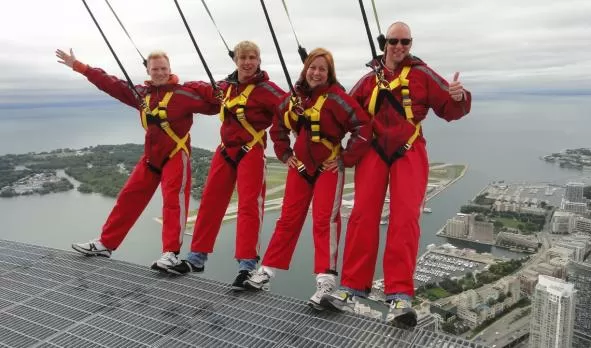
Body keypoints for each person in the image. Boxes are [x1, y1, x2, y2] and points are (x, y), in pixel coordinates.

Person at [321, 22, 472, 327]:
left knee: (404, 219)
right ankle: (350, 288)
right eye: (394, 41)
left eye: (406, 41)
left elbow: (450, 109)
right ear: (384, 43)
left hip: (409, 150)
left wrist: (459, 96)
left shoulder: (422, 74)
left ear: (410, 43)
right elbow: (343, 111)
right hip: (374, 153)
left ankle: (400, 297)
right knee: (363, 215)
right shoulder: (368, 80)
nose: (400, 46)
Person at [56, 49, 220, 269]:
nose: (160, 73)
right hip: (151, 157)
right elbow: (112, 84)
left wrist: (213, 92)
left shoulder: (184, 95)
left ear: (170, 69)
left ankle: (170, 253)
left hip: (176, 154)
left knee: (174, 202)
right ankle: (106, 244)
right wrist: (80, 66)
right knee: (128, 198)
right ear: (148, 71)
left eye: (163, 69)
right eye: (155, 69)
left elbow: (215, 106)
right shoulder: (142, 94)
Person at [244, 48, 372, 309]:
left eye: (322, 69)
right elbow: (278, 124)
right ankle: (266, 271)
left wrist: (345, 159)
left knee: (325, 221)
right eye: (312, 68)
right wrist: (284, 153)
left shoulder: (338, 98)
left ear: (329, 73)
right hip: (300, 166)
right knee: (288, 218)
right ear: (306, 70)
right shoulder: (294, 98)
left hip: (328, 168)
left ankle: (325, 281)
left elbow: (363, 126)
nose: (316, 73)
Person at [169, 41, 285, 290]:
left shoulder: (267, 90)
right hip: (225, 150)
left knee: (248, 206)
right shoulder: (226, 87)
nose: (247, 62)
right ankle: (196, 257)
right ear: (235, 60)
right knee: (210, 202)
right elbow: (204, 89)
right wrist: (178, 81)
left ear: (259, 60)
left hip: (251, 150)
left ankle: (247, 266)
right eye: (243, 57)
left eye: (252, 57)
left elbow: (288, 109)